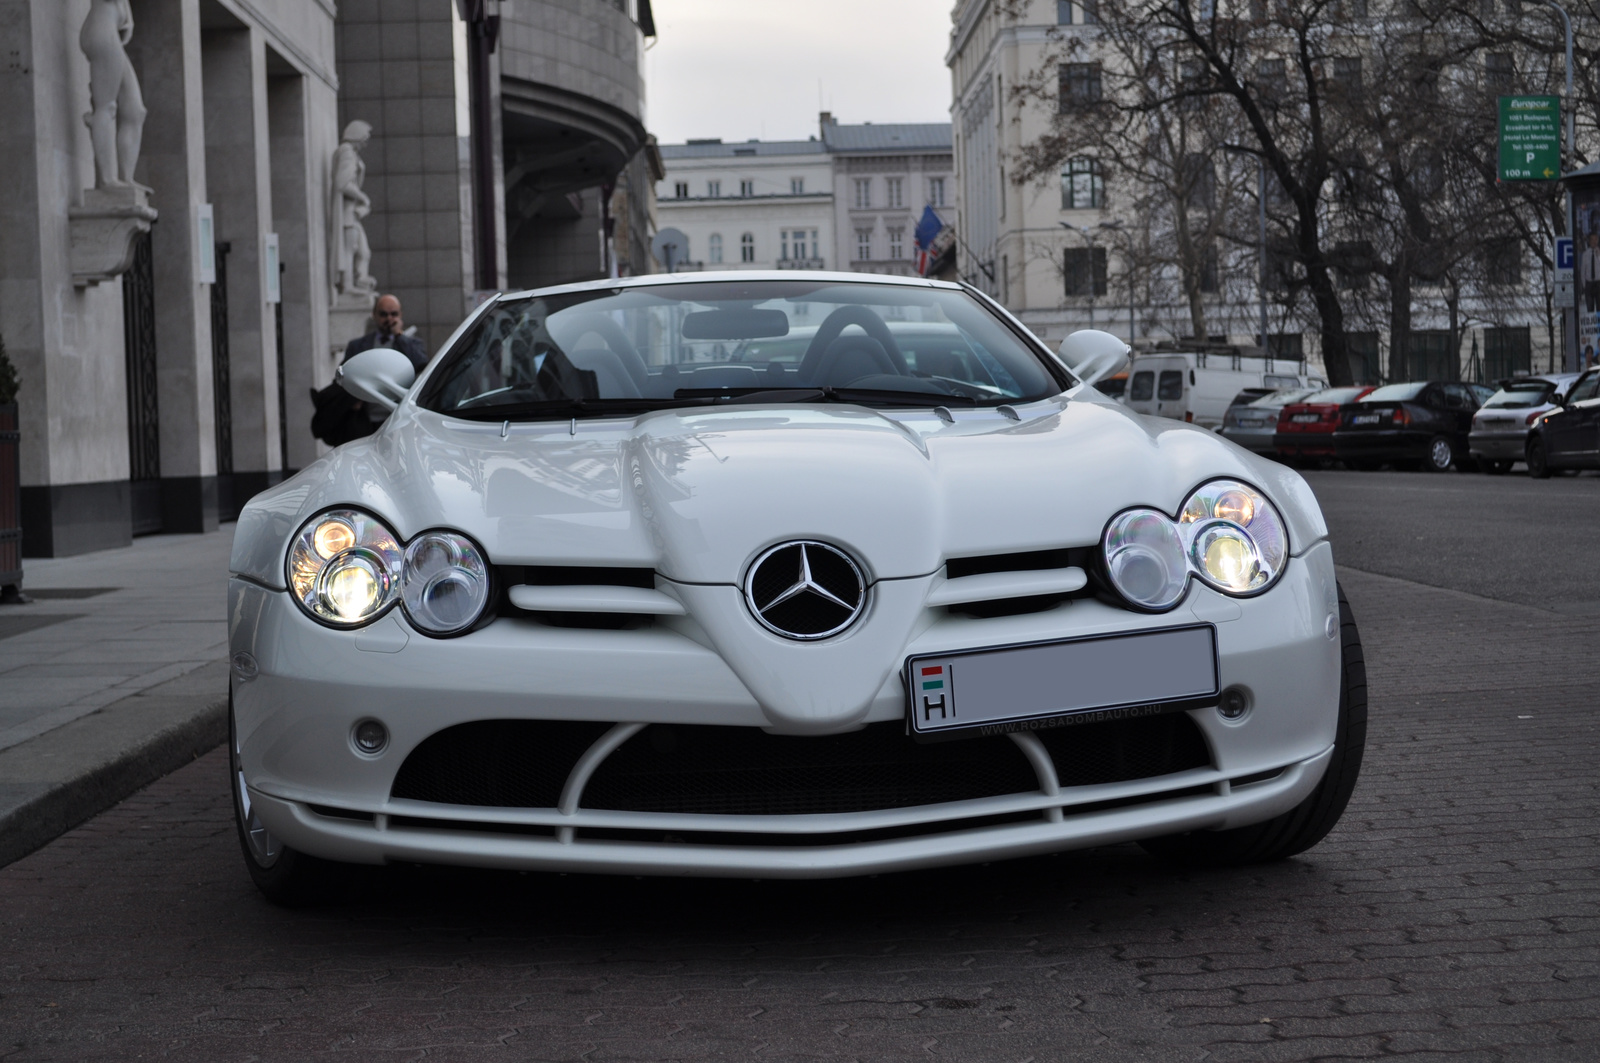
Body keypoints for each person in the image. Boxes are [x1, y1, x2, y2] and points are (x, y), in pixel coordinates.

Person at [311, 295, 428, 446]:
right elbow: (343, 375)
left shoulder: (410, 343)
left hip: (396, 418)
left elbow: (422, 364)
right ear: (374, 315)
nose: (389, 318)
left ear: (401, 315)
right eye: (383, 314)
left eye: (394, 314)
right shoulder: (358, 345)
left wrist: (399, 335)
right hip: (363, 420)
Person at [1582, 233, 1600, 314]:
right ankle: (1592, 325)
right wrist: (1585, 285)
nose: (1594, 242)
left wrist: (1598, 255)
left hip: (1598, 282)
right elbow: (1583, 271)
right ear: (1589, 241)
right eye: (1592, 240)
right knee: (1590, 309)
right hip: (1589, 284)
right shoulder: (1585, 254)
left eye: (1596, 239)